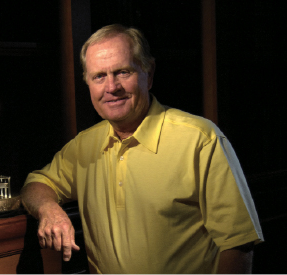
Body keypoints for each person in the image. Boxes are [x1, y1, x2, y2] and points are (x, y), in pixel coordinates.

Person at [21, 24, 264, 273]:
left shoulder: (200, 139)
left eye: (123, 72)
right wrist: (49, 209)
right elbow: (36, 184)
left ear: (149, 73)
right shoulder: (84, 145)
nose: (111, 87)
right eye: (99, 76)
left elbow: (238, 245)